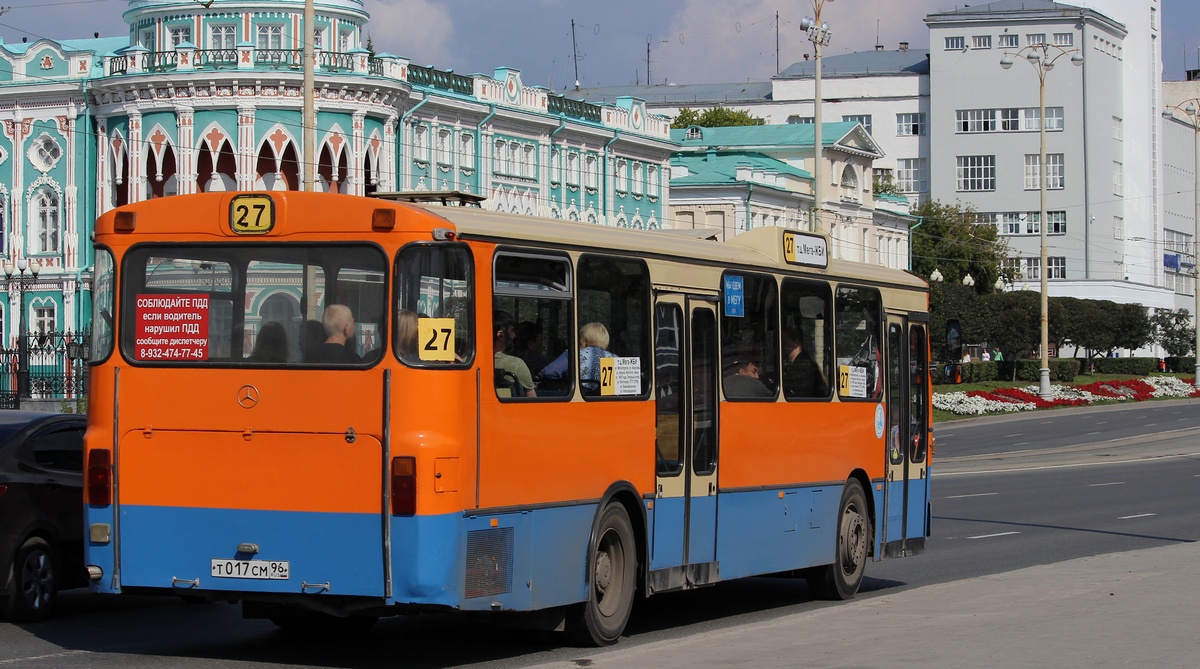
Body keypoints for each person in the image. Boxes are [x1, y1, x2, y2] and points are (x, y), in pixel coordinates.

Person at [542, 322, 616, 394]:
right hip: (607, 403)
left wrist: (564, 381)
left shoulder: (573, 354)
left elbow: (549, 372)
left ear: (585, 340)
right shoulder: (614, 359)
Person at [493, 310, 536, 397]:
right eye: (512, 331)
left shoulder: (465, 361)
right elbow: (533, 401)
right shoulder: (517, 365)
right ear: (501, 335)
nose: (514, 336)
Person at [781, 328, 827, 398]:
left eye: (785, 344)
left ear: (796, 343)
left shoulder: (802, 365)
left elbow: (796, 390)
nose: (783, 348)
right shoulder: (804, 361)